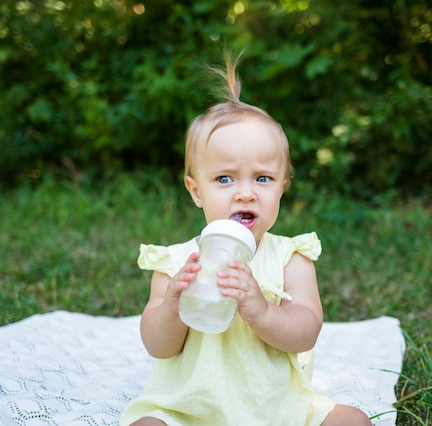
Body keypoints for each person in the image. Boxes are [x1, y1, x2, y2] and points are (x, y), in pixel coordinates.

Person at [120, 54, 372, 426]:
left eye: (263, 178)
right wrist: (173, 303)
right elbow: (158, 346)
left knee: (353, 422)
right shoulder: (176, 263)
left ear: (282, 188)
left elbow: (306, 332)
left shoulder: (291, 257)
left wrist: (262, 309)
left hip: (277, 407)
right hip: (187, 409)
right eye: (224, 179)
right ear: (195, 191)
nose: (245, 193)